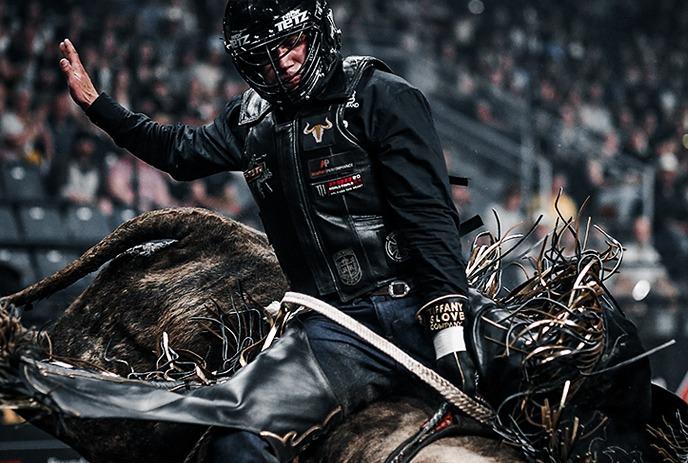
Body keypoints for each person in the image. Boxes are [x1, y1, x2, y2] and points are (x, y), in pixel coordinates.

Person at [58, 0, 475, 461]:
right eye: (263, 56)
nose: (283, 63)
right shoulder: (249, 121)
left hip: (424, 305)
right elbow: (178, 152)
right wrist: (98, 107)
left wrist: (448, 330)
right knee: (231, 438)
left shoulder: (384, 96)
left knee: (555, 368)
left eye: (290, 44)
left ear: (319, 31)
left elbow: (430, 218)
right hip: (335, 330)